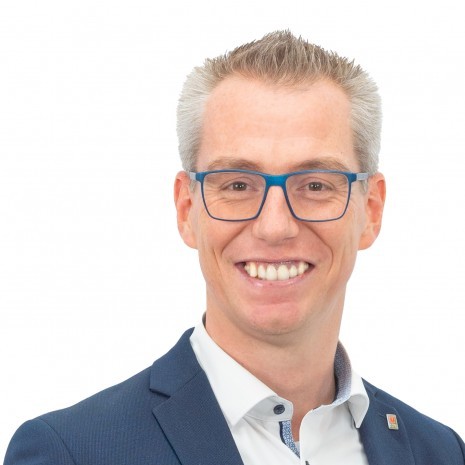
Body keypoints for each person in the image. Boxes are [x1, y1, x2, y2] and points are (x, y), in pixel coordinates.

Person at [4, 30, 464, 465]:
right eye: (238, 184)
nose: (275, 226)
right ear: (187, 209)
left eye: (316, 184)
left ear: (371, 210)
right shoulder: (71, 451)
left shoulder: (441, 452)